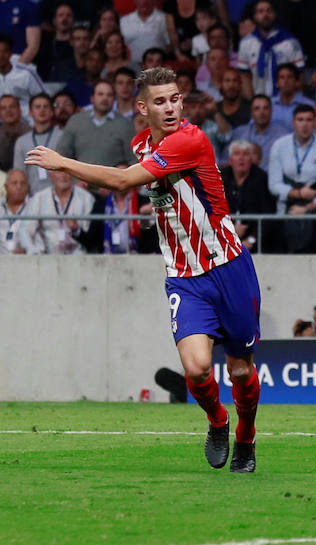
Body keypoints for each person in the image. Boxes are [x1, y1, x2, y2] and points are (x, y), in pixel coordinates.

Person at [26, 67, 262, 474]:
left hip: (229, 267)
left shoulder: (190, 140)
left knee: (240, 369)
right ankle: (218, 422)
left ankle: (246, 435)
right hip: (184, 276)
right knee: (196, 367)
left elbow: (120, 182)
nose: (169, 107)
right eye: (159, 101)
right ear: (143, 108)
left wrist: (62, 162)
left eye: (174, 99)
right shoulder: (141, 145)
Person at [268, 104, 316, 253]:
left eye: (309, 120)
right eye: (300, 120)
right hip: (285, 211)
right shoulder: (279, 146)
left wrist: (307, 208)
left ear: (314, 123)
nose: (304, 124)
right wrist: (298, 193)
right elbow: (274, 184)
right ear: (293, 123)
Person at [56, 80, 137, 177]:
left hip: (113, 187)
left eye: (109, 95)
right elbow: (62, 155)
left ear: (114, 99)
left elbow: (134, 161)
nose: (105, 98)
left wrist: (117, 181)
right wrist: (75, 182)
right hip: (80, 185)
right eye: (100, 94)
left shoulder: (125, 125)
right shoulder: (76, 121)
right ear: (92, 98)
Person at [237, 0, 305, 97]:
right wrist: (251, 103)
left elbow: (299, 77)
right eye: (260, 11)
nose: (265, 14)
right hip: (259, 103)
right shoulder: (246, 43)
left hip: (285, 102)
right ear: (255, 17)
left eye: (269, 11)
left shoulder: (290, 42)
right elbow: (244, 77)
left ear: (274, 15)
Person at [19, 170, 95, 255]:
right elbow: (24, 230)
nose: (63, 176)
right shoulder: (39, 198)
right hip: (47, 258)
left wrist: (76, 229)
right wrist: (33, 251)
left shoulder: (87, 198)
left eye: (67, 171)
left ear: (73, 174)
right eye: (59, 172)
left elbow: (92, 237)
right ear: (51, 175)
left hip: (79, 258)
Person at [222, 139, 278, 253]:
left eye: (246, 154)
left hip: (256, 240)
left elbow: (268, 215)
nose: (241, 158)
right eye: (237, 154)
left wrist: (252, 240)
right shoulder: (221, 177)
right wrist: (230, 230)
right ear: (230, 160)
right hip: (225, 236)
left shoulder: (262, 179)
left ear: (251, 159)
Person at [13, 94, 61, 195]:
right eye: (38, 107)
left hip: (59, 196)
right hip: (31, 198)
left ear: (52, 111)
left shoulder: (63, 137)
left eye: (46, 106)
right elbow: (19, 174)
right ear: (31, 112)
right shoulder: (21, 141)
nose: (42, 110)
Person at [230, 95, 291, 171]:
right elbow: (225, 160)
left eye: (265, 108)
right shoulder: (239, 133)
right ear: (251, 113)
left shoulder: (283, 135)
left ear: (271, 111)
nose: (262, 112)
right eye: (257, 108)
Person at [0, 35, 45, 116]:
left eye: (4, 51)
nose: (1, 56)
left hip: (27, 119)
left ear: (11, 54)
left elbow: (42, 98)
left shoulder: (26, 73)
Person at [271, 63, 314, 128]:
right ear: (277, 83)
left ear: (296, 82)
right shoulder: (268, 105)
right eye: (282, 77)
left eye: (289, 77)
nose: (286, 81)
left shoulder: (309, 105)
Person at [1, 169, 29, 254]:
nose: (19, 187)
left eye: (22, 183)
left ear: (28, 186)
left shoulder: (34, 206)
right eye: (14, 183)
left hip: (28, 260)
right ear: (6, 187)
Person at [0, 94, 28, 172]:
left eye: (12, 106)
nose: (8, 110)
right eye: (3, 108)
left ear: (20, 110)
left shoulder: (31, 133)